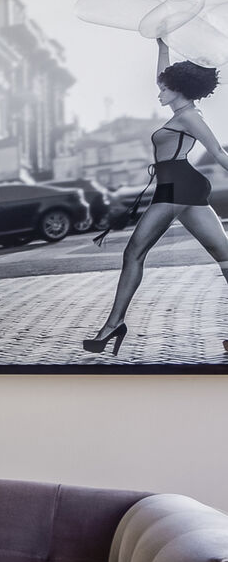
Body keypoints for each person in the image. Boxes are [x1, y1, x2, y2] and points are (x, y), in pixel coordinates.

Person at [84, 39, 228, 356]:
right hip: (177, 186)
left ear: (179, 89)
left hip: (180, 186)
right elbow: (163, 76)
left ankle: (113, 324)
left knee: (134, 252)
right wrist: (161, 44)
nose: (159, 92)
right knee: (226, 256)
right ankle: (115, 324)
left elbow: (217, 151)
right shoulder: (180, 107)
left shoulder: (191, 117)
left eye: (164, 89)